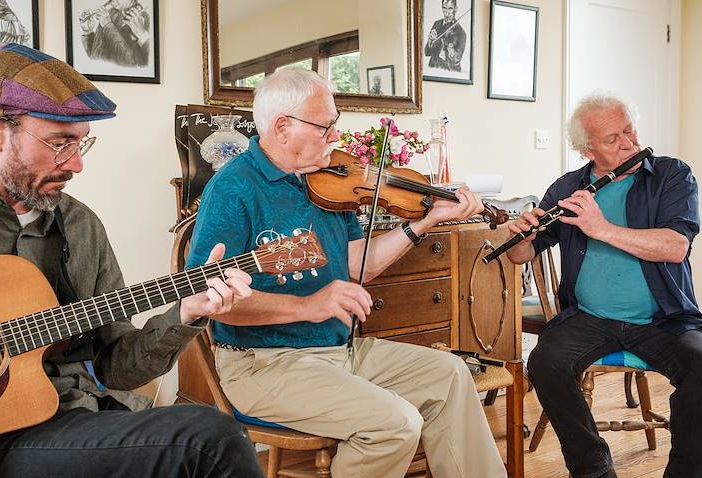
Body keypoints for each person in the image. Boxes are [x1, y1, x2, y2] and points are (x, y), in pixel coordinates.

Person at [0, 43, 262, 477]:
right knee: (210, 441)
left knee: (212, 436)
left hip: (63, 426)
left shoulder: (80, 225)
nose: (76, 164)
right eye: (59, 143)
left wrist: (187, 313)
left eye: (81, 143)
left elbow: (117, 367)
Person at [186, 68, 507, 478]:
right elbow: (212, 303)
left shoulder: (328, 179)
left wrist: (426, 222)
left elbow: (359, 264)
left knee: (451, 375)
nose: (336, 136)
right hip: (263, 363)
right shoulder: (234, 188)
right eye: (326, 126)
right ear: (282, 127)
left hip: (341, 351)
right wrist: (309, 305)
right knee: (395, 425)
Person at [506, 93, 702, 478]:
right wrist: (521, 236)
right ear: (588, 149)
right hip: (589, 317)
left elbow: (675, 246)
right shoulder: (570, 187)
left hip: (663, 317)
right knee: (544, 363)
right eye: (612, 138)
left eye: (629, 130)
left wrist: (601, 228)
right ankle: (593, 468)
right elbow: (522, 256)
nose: (628, 142)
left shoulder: (671, 175)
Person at [79, 0, 151, 67]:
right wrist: (88, 32)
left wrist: (107, 24)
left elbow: (132, 63)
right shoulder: (111, 13)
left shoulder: (141, 19)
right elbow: (96, 56)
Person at [424, 0, 466, 72]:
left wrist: (452, 54)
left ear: (455, 9)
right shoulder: (436, 24)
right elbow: (427, 53)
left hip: (448, 71)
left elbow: (457, 61)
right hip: (432, 68)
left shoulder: (461, 32)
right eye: (444, 8)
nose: (446, 12)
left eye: (450, 8)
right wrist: (430, 41)